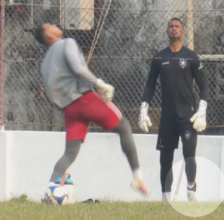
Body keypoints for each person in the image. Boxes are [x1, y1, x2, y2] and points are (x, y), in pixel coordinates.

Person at [34, 23, 150, 204]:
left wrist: (65, 104)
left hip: (69, 110)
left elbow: (50, 91)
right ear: (48, 36)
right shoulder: (67, 43)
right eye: (49, 26)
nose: (53, 24)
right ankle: (138, 177)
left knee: (70, 154)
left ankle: (50, 191)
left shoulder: (45, 62)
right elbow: (78, 68)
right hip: (85, 99)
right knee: (124, 127)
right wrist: (99, 83)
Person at [138, 17, 209, 202]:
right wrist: (143, 109)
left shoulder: (191, 57)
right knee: (165, 159)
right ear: (167, 31)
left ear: (183, 32)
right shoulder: (159, 58)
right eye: (171, 26)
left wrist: (202, 109)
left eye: (178, 26)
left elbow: (204, 85)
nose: (174, 29)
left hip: (188, 116)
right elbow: (150, 85)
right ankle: (166, 198)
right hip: (168, 116)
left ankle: (191, 188)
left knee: (189, 155)